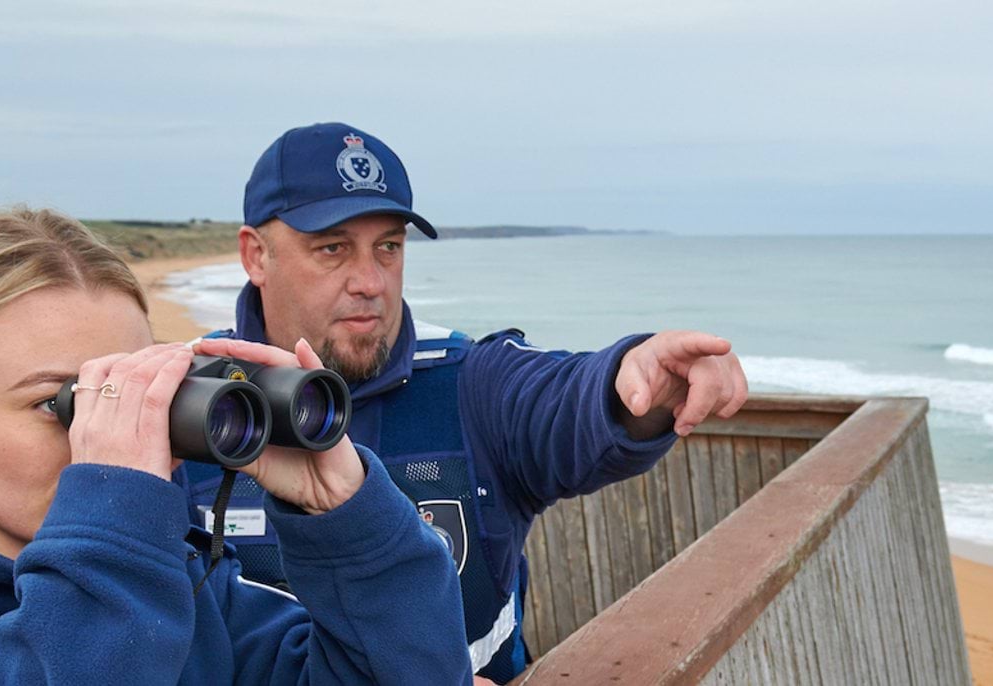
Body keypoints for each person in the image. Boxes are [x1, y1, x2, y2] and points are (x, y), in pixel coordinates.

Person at [0, 207, 472, 685]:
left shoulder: (179, 591)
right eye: (62, 404)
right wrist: (113, 536)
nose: (104, 440)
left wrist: (352, 522)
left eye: (133, 395)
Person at [181, 123, 750, 683]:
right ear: (256, 256)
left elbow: (565, 402)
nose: (371, 282)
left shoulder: (469, 382)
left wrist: (635, 381)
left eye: (388, 248)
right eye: (332, 248)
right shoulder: (188, 404)